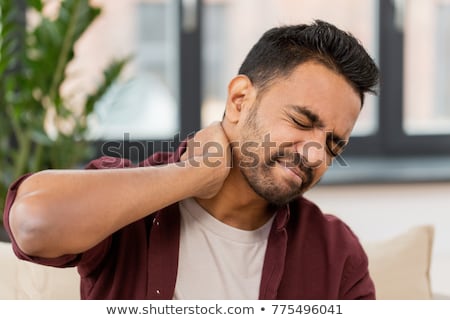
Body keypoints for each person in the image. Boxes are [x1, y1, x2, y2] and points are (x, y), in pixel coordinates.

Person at [3, 20, 379, 300]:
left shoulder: (337, 252)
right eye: (300, 121)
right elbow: (34, 224)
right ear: (239, 100)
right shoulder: (130, 202)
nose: (314, 153)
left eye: (333, 145)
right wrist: (194, 173)